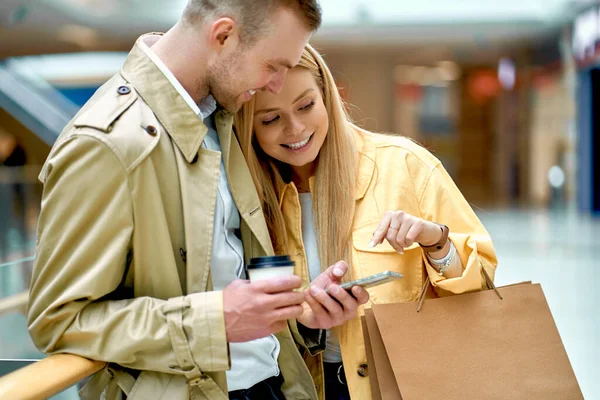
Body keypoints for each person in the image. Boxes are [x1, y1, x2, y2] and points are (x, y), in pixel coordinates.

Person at [26, 2, 369, 399]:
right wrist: (213, 321)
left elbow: (230, 283)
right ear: (223, 35)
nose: (276, 84)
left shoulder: (221, 118)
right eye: (272, 65)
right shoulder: (106, 144)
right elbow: (59, 321)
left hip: (270, 385)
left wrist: (304, 317)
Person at [235, 44, 499, 400]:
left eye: (306, 106)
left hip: (401, 384)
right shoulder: (246, 196)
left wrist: (436, 242)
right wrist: (302, 318)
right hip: (298, 388)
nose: (294, 128)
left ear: (327, 96)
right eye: (270, 119)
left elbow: (482, 288)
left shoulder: (405, 166)